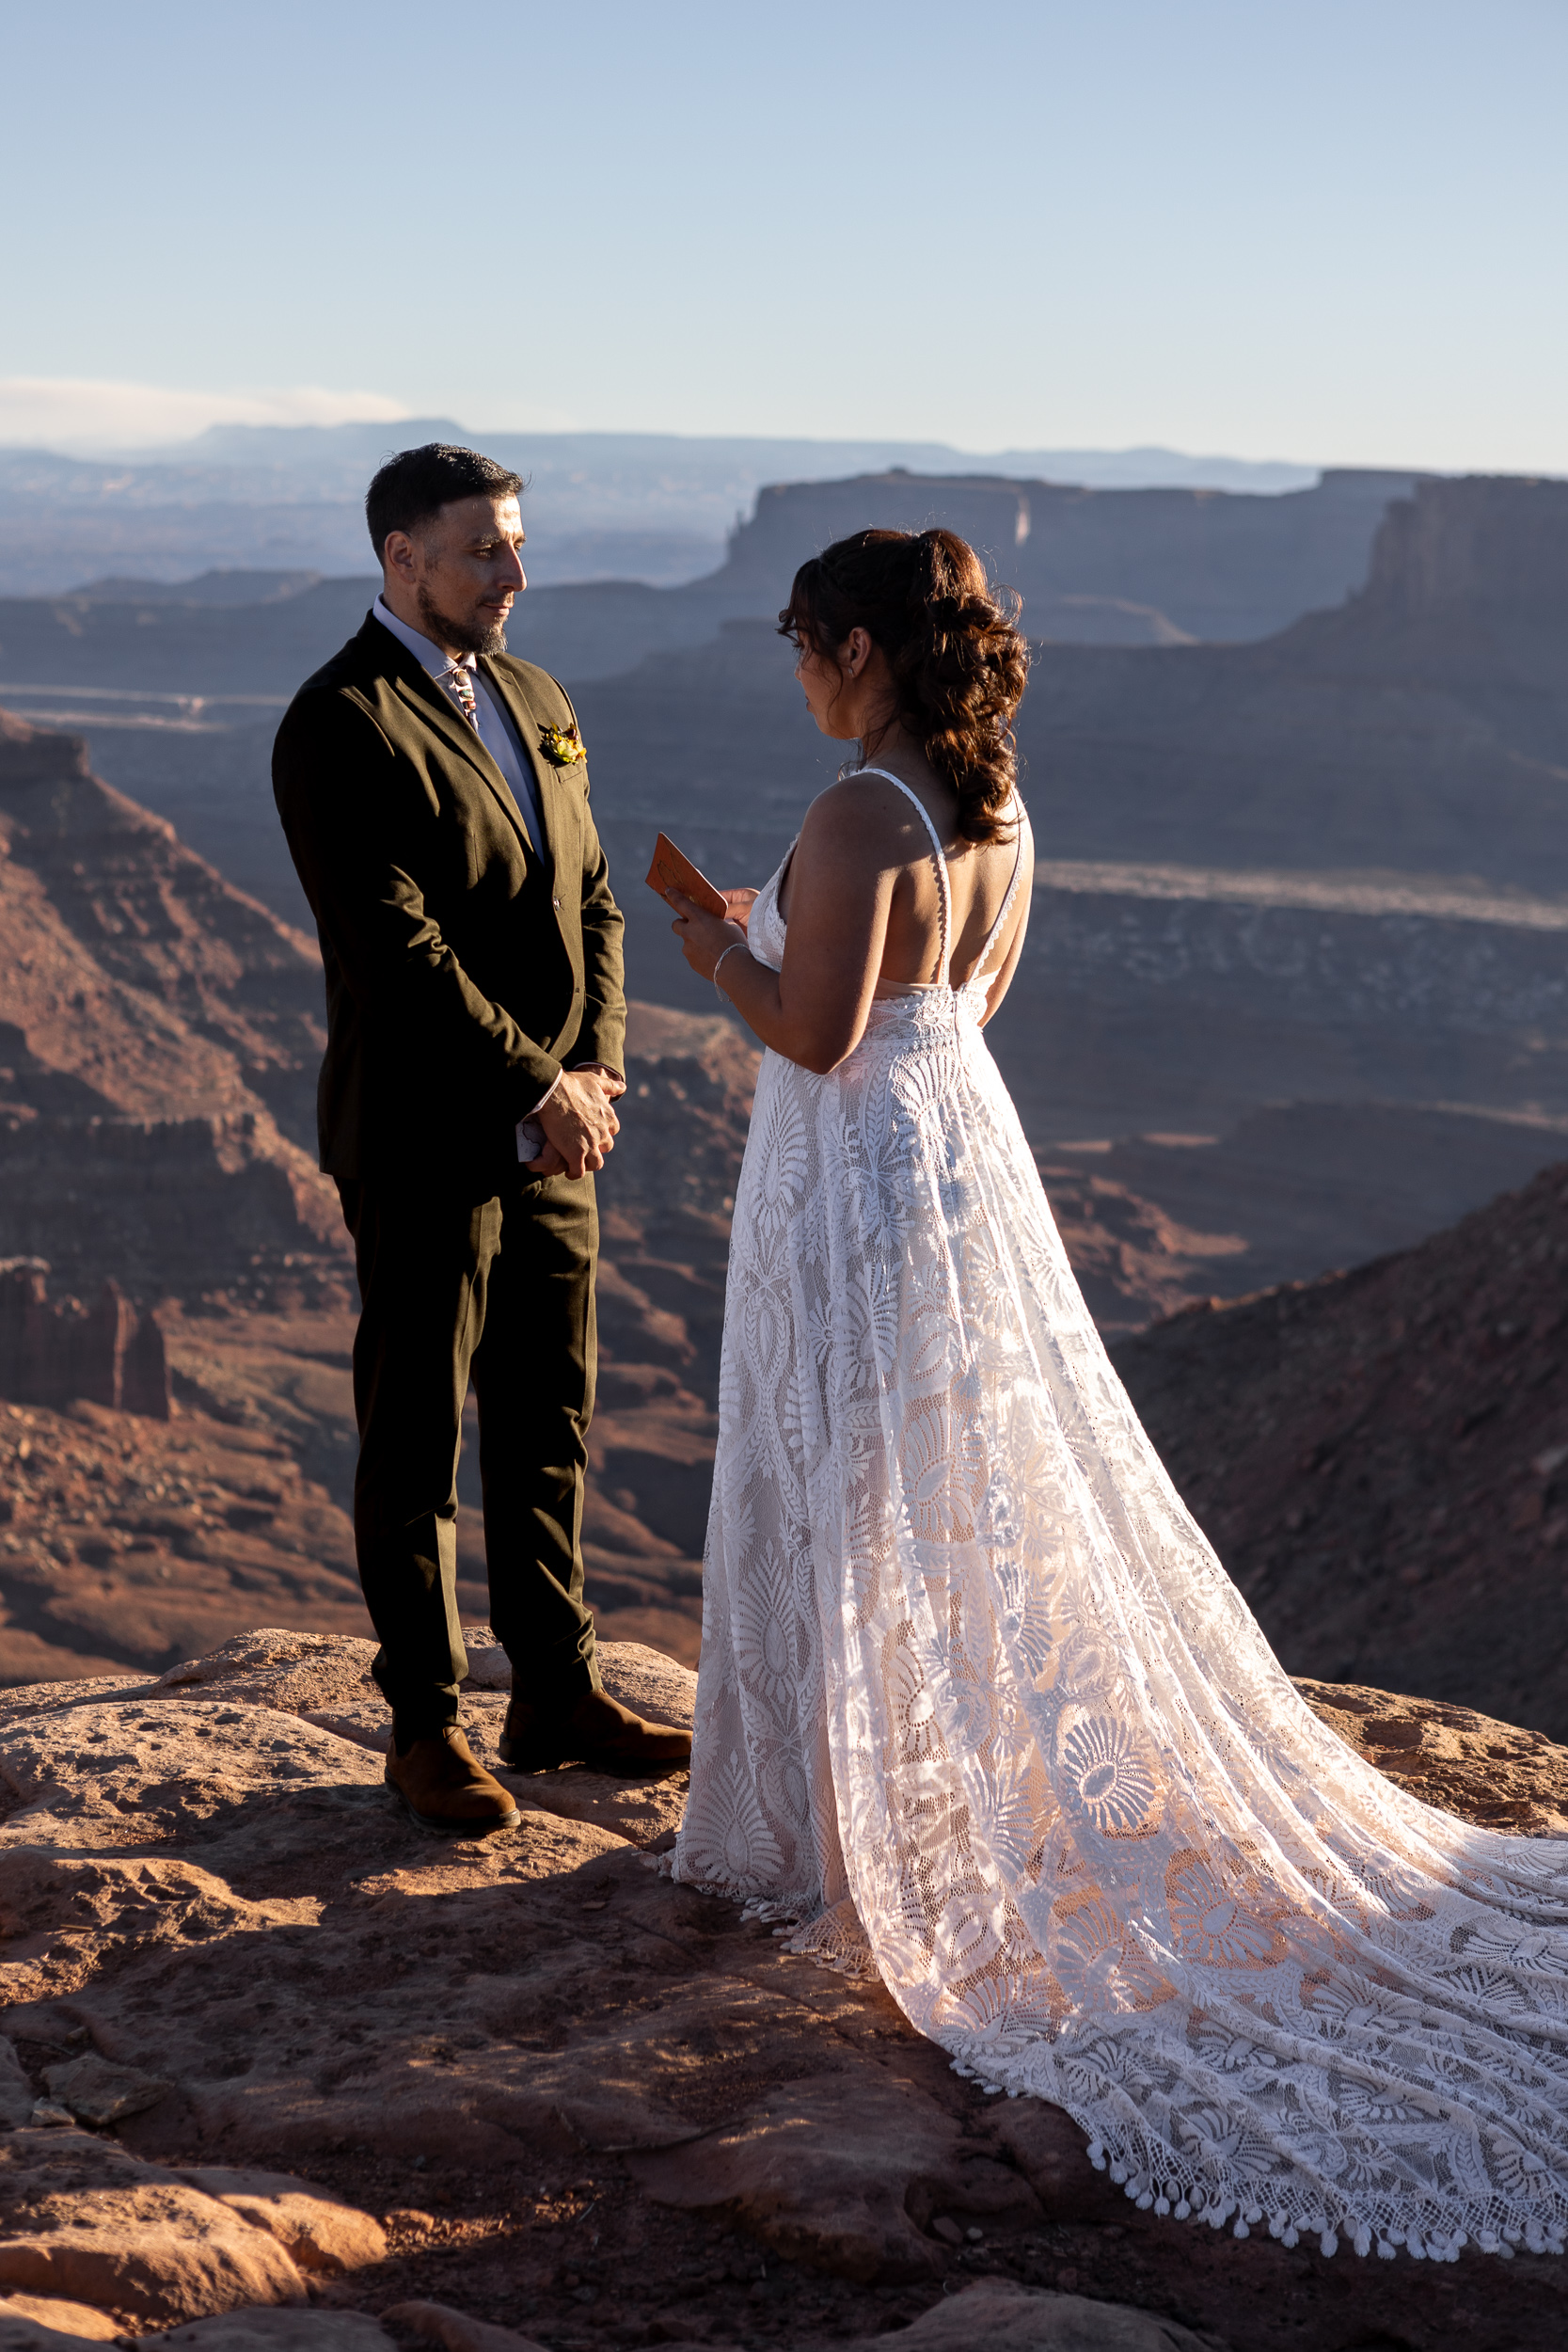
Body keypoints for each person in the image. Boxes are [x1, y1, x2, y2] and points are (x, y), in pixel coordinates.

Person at [661, 524, 1568, 2264]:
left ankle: (869, 1842)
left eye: (798, 643)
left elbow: (820, 1033)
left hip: (854, 1177)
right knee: (932, 1492)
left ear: (854, 649)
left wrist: (712, 943)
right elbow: (970, 1003)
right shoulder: (995, 812)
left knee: (850, 1486)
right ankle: (906, 1800)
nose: (792, 672)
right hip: (954, 1157)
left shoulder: (860, 814)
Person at [273, 441, 690, 1836]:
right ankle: (425, 1724)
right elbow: (395, 947)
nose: (517, 573)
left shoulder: (537, 695)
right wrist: (536, 1085)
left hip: (555, 1129)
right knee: (417, 1436)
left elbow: (594, 897)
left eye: (517, 543)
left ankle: (557, 1689)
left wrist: (600, 1068)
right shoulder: (340, 720)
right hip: (425, 1138)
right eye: (484, 550)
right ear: (402, 559)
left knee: (546, 1418)